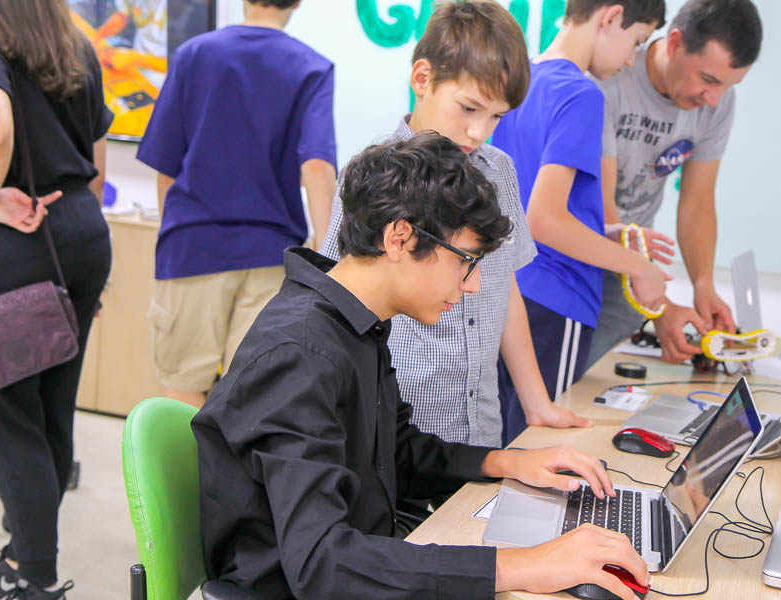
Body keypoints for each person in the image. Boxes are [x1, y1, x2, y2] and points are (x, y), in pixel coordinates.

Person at [193, 133, 648, 600]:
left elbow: (393, 453)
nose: (473, 286)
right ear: (400, 238)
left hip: (368, 557)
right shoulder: (299, 354)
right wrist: (524, 565)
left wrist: (506, 462)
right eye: (466, 261)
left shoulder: (354, 323)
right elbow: (322, 563)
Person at [321, 0, 590, 454]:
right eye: (468, 108)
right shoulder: (371, 177)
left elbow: (504, 286)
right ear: (422, 79)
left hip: (479, 425)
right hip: (400, 431)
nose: (479, 132)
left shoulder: (498, 171)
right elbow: (335, 300)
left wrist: (536, 403)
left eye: (496, 116)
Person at [0, 0, 113, 598]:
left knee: (7, 417)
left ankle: (35, 580)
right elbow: (96, 156)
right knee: (51, 409)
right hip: (81, 230)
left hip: (18, 234)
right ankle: (27, 557)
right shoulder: (72, 38)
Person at [136, 0, 337, 408]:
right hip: (270, 255)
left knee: (182, 389)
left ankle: (186, 456)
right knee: (248, 398)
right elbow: (317, 166)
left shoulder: (194, 54)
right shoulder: (312, 68)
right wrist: (325, 252)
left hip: (193, 248)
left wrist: (170, 234)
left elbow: (166, 165)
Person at [492, 0, 669, 444]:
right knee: (537, 444)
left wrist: (606, 234)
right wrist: (640, 267)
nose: (631, 60)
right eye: (637, 41)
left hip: (507, 293)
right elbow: (544, 220)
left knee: (506, 438)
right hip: (556, 298)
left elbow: (522, 203)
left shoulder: (522, 81)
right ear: (611, 17)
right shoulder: (582, 95)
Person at [587, 0, 762, 366]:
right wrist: (660, 306)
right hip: (583, 255)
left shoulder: (718, 103)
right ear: (675, 43)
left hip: (636, 268)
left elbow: (697, 204)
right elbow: (601, 207)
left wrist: (703, 285)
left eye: (729, 86)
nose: (713, 99)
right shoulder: (610, 77)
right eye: (709, 80)